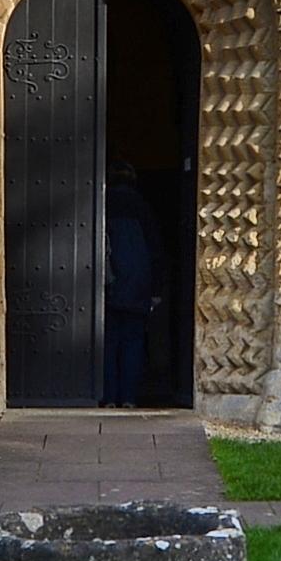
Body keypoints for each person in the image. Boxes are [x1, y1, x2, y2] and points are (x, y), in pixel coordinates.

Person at [101, 159, 164, 405]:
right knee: (133, 343)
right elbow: (156, 250)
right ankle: (128, 398)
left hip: (108, 285)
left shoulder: (101, 205)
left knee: (107, 343)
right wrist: (156, 289)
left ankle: (108, 398)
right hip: (138, 286)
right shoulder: (143, 208)